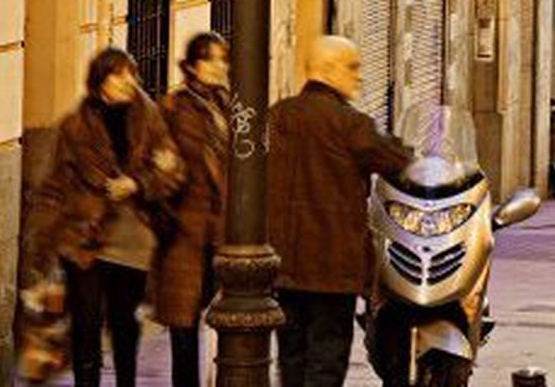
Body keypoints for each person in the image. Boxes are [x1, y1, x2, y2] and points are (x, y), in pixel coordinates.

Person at [267, 36, 412, 387]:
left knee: (292, 357)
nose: (359, 76)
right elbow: (395, 160)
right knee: (327, 361)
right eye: (352, 67)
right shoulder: (351, 124)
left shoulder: (277, 116)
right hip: (332, 265)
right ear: (328, 70)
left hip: (283, 263)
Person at [33, 48, 183, 387]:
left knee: (123, 320)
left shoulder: (149, 117)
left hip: (132, 239)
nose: (129, 81)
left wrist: (137, 183)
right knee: (85, 322)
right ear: (100, 81)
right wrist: (44, 245)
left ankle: (125, 381)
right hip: (84, 237)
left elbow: (173, 169)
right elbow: (55, 184)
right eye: (119, 75)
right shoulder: (75, 126)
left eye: (131, 73)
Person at [154, 32, 232, 387]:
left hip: (219, 229)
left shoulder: (227, 104)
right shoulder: (173, 107)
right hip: (184, 230)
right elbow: (156, 163)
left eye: (222, 59)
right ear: (192, 65)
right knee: (183, 324)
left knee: (219, 314)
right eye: (211, 59)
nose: (219, 67)